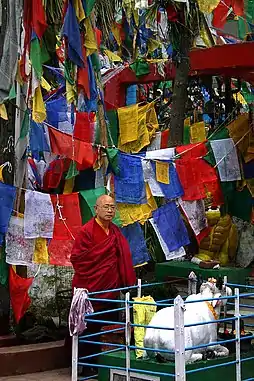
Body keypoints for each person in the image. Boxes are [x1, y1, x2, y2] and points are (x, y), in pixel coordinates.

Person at [70, 195, 136, 375]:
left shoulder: (115, 232)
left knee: (109, 325)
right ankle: (85, 365)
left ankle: (106, 364)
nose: (109, 210)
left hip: (111, 288)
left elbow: (123, 258)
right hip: (91, 288)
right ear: (96, 209)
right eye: (106, 207)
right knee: (89, 327)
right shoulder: (86, 231)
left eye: (112, 207)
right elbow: (78, 259)